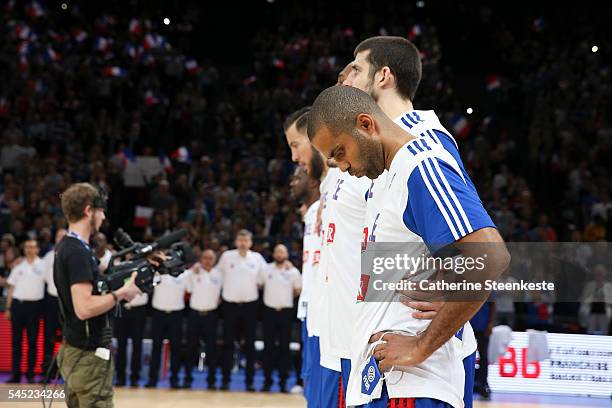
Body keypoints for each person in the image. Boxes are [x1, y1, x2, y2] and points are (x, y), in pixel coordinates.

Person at [308, 85, 510, 407]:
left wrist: (420, 346)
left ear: (366, 124)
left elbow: (489, 256)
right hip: (385, 381)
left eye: (340, 152)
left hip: (411, 386)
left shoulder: (421, 164)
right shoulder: (384, 179)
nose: (341, 167)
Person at [341, 35, 479, 407]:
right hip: (386, 371)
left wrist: (421, 344)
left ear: (383, 76)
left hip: (416, 381)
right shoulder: (387, 155)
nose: (347, 79)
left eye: (356, 68)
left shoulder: (422, 150)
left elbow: (486, 258)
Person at [54, 183, 142, 407]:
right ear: (88, 210)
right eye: (101, 210)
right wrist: (122, 293)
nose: (103, 216)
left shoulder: (71, 247)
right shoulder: (77, 252)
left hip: (75, 351)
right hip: (87, 356)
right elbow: (84, 308)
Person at [217, 229, 267, 391]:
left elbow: (266, 277)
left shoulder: (257, 258)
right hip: (230, 305)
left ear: (250, 243)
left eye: (246, 240)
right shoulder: (227, 257)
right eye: (240, 240)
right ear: (236, 242)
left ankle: (250, 381)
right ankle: (225, 380)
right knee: (228, 344)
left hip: (250, 306)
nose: (243, 243)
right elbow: (217, 276)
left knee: (250, 345)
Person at [288, 163, 321, 400]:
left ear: (313, 181)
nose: (292, 182)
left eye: (298, 177)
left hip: (323, 310)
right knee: (310, 383)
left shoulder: (327, 209)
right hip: (307, 307)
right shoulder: (310, 214)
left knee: (320, 389)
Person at [261, 244, 302, 392]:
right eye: (277, 251)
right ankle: (267, 381)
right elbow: (259, 285)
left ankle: (283, 383)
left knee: (285, 349)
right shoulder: (266, 269)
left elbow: (298, 290)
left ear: (287, 254)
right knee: (268, 348)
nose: (279, 254)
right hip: (269, 312)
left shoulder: (293, 271)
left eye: (282, 251)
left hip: (285, 313)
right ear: (273, 254)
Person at [5, 239, 45, 383]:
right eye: (27, 246)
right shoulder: (18, 266)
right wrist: (8, 308)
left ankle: (30, 375)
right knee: (16, 342)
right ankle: (15, 375)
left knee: (32, 342)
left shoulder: (43, 265)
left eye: (32, 247)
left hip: (34, 307)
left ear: (38, 249)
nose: (29, 249)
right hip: (17, 305)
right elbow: (11, 288)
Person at [184, 249, 223, 389]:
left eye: (211, 258)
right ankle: (187, 379)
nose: (208, 260)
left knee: (212, 349)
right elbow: (186, 288)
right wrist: (192, 270)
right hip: (194, 314)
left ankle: (211, 380)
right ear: (200, 259)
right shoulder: (193, 272)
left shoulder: (219, 274)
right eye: (205, 257)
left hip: (211, 315)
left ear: (215, 260)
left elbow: (225, 292)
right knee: (191, 347)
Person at [146, 270, 188, 389]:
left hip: (176, 314)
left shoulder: (185, 275)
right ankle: (152, 379)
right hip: (158, 313)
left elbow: (191, 289)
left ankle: (174, 379)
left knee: (175, 348)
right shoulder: (157, 274)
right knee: (156, 347)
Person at [40, 228, 67, 382]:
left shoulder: (72, 255)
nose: (61, 238)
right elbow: (44, 277)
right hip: (51, 300)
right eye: (59, 236)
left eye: (64, 236)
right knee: (48, 338)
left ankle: (64, 372)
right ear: (55, 239)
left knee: (67, 339)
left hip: (66, 301)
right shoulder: (49, 257)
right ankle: (47, 373)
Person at [114, 289, 148, 387]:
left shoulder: (143, 274)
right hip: (121, 308)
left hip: (138, 309)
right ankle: (120, 377)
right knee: (121, 345)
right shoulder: (118, 273)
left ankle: (135, 377)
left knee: (137, 345)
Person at [470, 301, 496, 399]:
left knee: (484, 357)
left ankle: (483, 385)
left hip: (483, 326)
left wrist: (490, 324)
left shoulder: (487, 287)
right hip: (469, 325)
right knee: (466, 357)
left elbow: (493, 305)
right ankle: (466, 384)